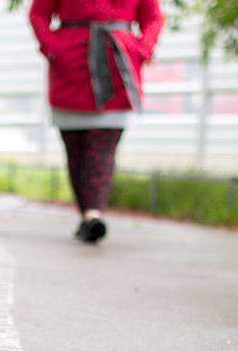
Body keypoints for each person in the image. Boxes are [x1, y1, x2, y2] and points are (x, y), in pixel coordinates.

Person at [30, 0, 164, 244]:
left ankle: (93, 214)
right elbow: (39, 13)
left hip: (117, 65)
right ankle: (88, 217)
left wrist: (143, 48)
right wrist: (51, 47)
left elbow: (153, 17)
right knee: (76, 151)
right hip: (71, 66)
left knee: (101, 149)